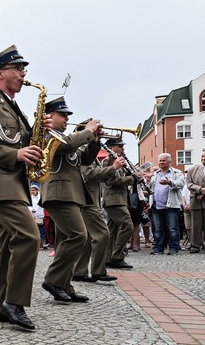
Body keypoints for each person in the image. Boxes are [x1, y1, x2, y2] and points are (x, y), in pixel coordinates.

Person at [0, 45, 46, 329]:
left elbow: (25, 144)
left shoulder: (14, 108)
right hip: (0, 185)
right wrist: (15, 154)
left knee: (5, 246)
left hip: (15, 185)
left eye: (23, 69)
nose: (23, 74)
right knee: (30, 237)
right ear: (0, 73)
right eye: (18, 69)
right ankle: (14, 302)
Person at [39, 97, 102, 304]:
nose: (67, 119)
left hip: (70, 194)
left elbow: (85, 159)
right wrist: (88, 132)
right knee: (78, 236)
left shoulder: (65, 137)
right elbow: (68, 146)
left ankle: (64, 285)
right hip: (59, 194)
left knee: (69, 239)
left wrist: (94, 140)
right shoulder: (47, 135)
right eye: (63, 115)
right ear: (49, 116)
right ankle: (53, 280)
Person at [74, 152, 124, 283]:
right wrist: (113, 167)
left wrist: (110, 166)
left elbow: (104, 180)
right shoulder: (83, 150)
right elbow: (88, 174)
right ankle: (98, 271)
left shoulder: (91, 152)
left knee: (89, 237)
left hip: (90, 199)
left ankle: (79, 271)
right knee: (102, 233)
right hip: (88, 200)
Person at [101, 138, 136, 269]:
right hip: (113, 200)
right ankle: (117, 256)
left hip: (118, 200)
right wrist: (132, 178)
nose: (122, 149)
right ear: (111, 147)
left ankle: (108, 258)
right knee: (127, 226)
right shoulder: (108, 161)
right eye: (119, 146)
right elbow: (111, 182)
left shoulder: (118, 161)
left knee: (112, 231)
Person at [148, 153, 185, 255]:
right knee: (158, 228)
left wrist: (169, 182)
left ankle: (173, 248)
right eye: (160, 160)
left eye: (164, 160)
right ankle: (159, 248)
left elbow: (181, 184)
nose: (161, 162)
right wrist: (147, 180)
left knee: (172, 228)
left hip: (170, 205)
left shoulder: (177, 172)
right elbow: (150, 187)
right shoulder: (155, 174)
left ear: (170, 162)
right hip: (156, 205)